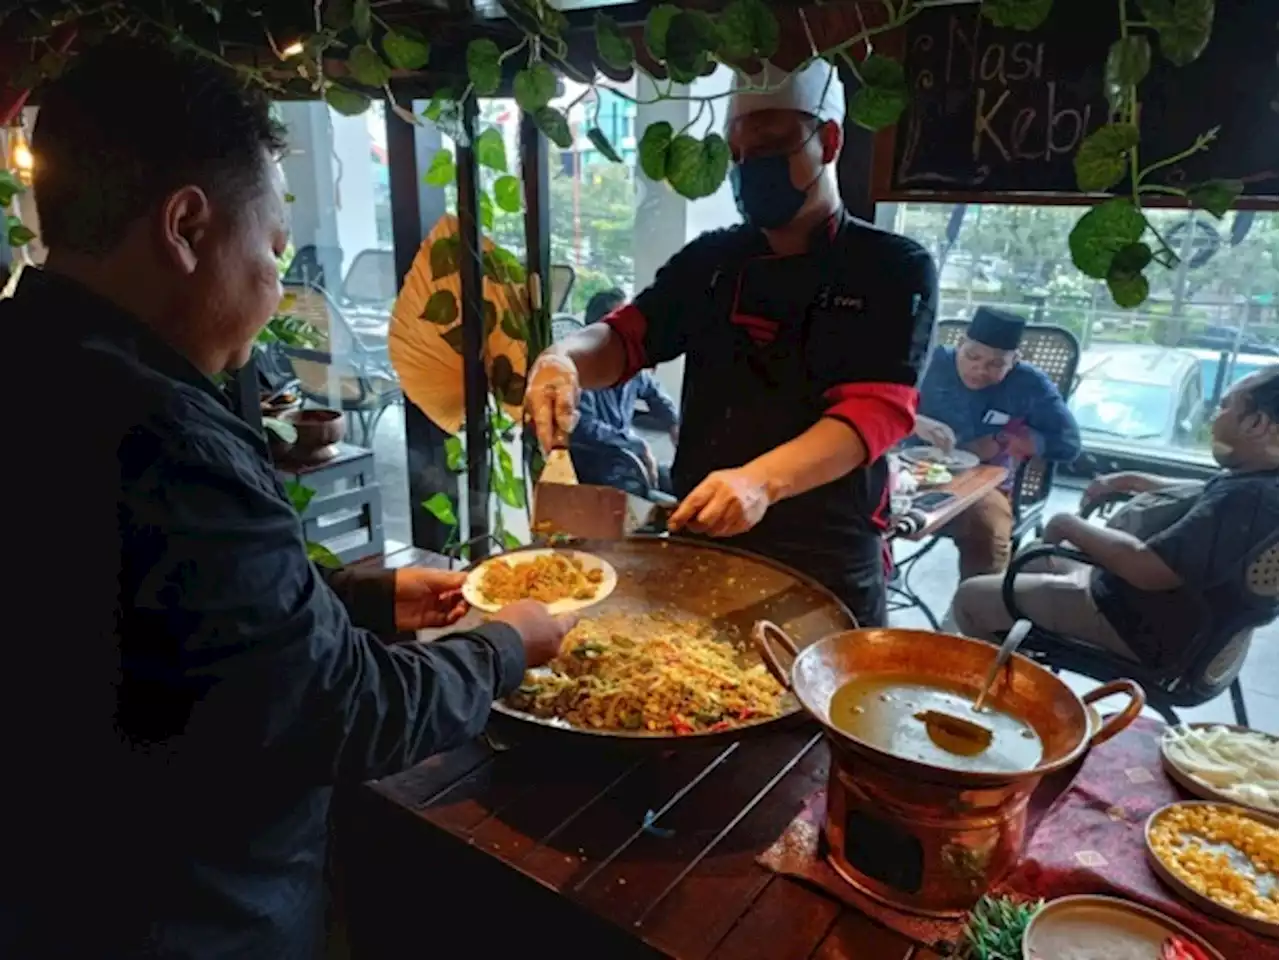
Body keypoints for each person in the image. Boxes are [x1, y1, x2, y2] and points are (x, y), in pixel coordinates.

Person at [1, 42, 575, 959]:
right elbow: (337, 713)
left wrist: (368, 600)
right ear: (186, 227)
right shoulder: (161, 437)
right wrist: (507, 645)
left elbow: (170, 623)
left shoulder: (32, 355)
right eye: (273, 249)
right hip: (177, 912)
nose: (276, 285)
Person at [525, 61, 938, 626]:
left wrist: (759, 480)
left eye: (770, 145)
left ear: (831, 141)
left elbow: (877, 411)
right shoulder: (713, 259)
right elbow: (626, 338)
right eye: (738, 155)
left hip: (826, 555)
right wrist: (563, 358)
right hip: (704, 536)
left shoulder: (892, 267)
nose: (751, 169)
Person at [952, 367, 1280, 669]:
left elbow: (1148, 569)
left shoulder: (1248, 498)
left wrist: (1070, 525)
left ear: (1257, 424)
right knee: (1035, 557)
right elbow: (1204, 492)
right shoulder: (1260, 481)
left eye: (1225, 407)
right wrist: (1131, 480)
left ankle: (1019, 693)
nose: (1214, 416)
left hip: (1140, 623)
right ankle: (1024, 657)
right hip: (1180, 619)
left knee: (970, 598)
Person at [912, 307, 1081, 578]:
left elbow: (1069, 443)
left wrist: (1008, 440)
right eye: (972, 356)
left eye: (995, 364)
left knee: (987, 527)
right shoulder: (930, 362)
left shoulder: (1029, 384)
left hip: (980, 486)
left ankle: (977, 608)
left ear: (1014, 361)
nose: (979, 370)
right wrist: (913, 420)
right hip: (909, 472)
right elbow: (878, 404)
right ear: (959, 345)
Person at [570, 287, 680, 495]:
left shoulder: (630, 369)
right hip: (599, 468)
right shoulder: (582, 373)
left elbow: (655, 393)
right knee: (660, 504)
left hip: (628, 461)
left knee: (685, 484)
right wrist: (636, 444)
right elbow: (584, 427)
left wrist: (673, 423)